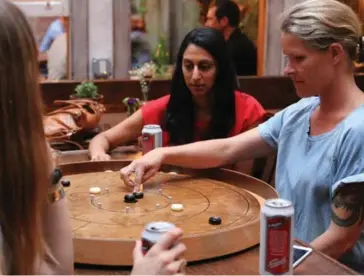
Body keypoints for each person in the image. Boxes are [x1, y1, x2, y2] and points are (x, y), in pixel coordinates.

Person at [120, 0, 364, 273]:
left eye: (298, 58)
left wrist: (276, 265)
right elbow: (229, 148)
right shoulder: (300, 112)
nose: (287, 69)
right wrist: (162, 153)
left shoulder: (358, 130)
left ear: (334, 54)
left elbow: (341, 238)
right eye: (287, 59)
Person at [0, 0, 185, 275]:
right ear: (9, 83)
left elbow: (59, 271)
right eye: (32, 70)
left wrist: (48, 176)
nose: (40, 83)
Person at [89, 27, 266, 161]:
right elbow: (103, 138)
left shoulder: (247, 110)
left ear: (220, 68)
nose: (195, 76)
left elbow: (243, 182)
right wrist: (99, 156)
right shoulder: (164, 108)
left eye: (204, 67)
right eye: (188, 66)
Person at [205, 0, 257, 76]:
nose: (206, 24)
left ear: (224, 21)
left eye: (210, 19)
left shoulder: (237, 48)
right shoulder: (230, 42)